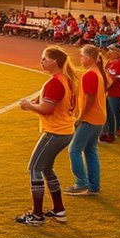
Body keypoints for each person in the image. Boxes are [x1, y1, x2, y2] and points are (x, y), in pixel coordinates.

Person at [16, 46, 77, 226]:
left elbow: (47, 109)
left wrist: (30, 106)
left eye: (44, 58)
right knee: (46, 168)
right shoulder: (65, 79)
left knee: (34, 167)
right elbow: (53, 103)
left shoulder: (56, 82)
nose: (41, 61)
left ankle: (37, 216)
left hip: (55, 132)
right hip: (64, 130)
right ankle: (59, 210)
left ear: (54, 62)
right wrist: (38, 102)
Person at [65, 45, 107, 197]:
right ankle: (93, 187)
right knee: (90, 151)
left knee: (74, 149)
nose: (80, 58)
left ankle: (81, 184)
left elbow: (89, 99)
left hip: (90, 118)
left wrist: (81, 117)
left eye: (82, 55)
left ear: (89, 57)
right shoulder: (97, 73)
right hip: (98, 118)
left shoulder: (91, 75)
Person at [100, 44, 120, 143]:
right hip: (110, 92)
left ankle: (111, 133)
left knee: (112, 113)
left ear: (118, 51)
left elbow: (116, 79)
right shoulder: (110, 62)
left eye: (111, 50)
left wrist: (104, 87)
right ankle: (115, 130)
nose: (109, 52)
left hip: (117, 92)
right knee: (112, 113)